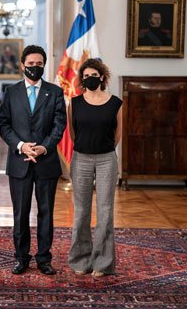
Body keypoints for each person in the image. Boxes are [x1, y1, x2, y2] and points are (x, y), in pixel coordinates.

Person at [0, 45, 66, 276]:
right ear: (22, 65)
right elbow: (3, 123)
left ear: (44, 65)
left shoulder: (55, 92)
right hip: (19, 162)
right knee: (21, 213)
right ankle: (21, 258)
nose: (35, 67)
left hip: (46, 162)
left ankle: (44, 258)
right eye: (31, 64)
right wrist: (21, 146)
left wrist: (44, 148)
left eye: (39, 64)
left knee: (46, 212)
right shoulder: (12, 92)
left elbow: (59, 124)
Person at [67, 58, 122, 278]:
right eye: (86, 76)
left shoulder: (116, 103)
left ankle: (103, 263)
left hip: (107, 159)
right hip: (81, 158)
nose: (90, 79)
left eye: (94, 75)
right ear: (82, 79)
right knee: (81, 212)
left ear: (102, 77)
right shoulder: (75, 103)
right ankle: (80, 260)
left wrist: (104, 151)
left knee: (105, 212)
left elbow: (117, 134)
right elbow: (73, 133)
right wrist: (85, 149)